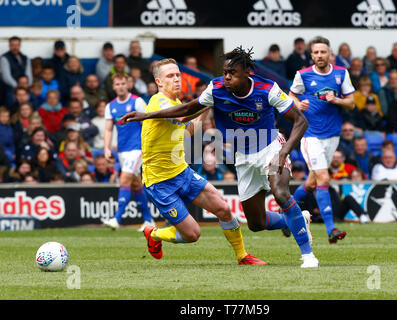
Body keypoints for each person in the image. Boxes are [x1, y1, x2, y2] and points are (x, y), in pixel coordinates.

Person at [122, 52, 317, 267]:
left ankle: (295, 255)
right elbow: (181, 114)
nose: (176, 79)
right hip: (161, 180)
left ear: (246, 73)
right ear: (158, 81)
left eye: (178, 75)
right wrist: (147, 115)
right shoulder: (158, 102)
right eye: (170, 76)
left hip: (260, 150)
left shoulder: (265, 88)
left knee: (259, 199)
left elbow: (189, 127)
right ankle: (154, 233)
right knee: (245, 225)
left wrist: (207, 104)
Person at [288, 36, 355, 245]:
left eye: (323, 52)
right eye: (316, 52)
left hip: (332, 136)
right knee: (324, 179)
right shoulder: (303, 75)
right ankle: (331, 229)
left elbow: (352, 103)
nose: (319, 55)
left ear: (329, 54)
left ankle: (285, 219)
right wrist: (298, 104)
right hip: (310, 136)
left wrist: (336, 100)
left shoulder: (341, 74)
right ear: (311, 55)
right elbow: (290, 96)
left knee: (312, 181)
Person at [102, 74, 155, 232]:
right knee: (135, 184)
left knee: (124, 179)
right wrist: (106, 148)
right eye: (117, 84)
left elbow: (148, 121)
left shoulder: (137, 102)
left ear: (128, 84)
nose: (120, 86)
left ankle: (116, 219)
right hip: (122, 151)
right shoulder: (110, 106)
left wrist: (148, 145)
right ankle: (148, 220)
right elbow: (108, 129)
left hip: (137, 148)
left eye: (123, 83)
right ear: (113, 86)